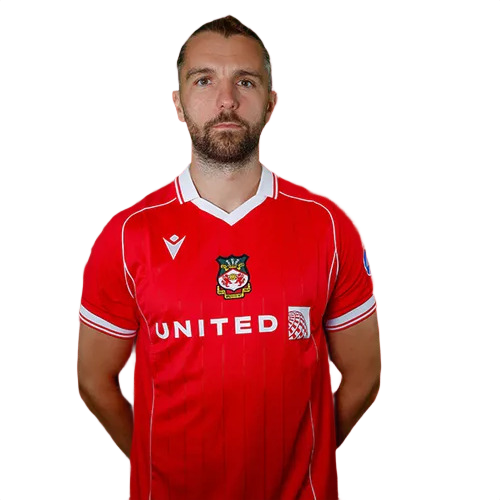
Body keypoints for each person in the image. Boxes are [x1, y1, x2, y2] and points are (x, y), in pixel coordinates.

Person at [77, 14, 382, 500]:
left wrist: (309, 454)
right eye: (204, 80)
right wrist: (156, 465)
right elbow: (94, 379)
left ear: (271, 103)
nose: (226, 100)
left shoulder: (326, 225)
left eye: (245, 81)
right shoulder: (128, 235)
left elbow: (365, 376)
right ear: (178, 104)